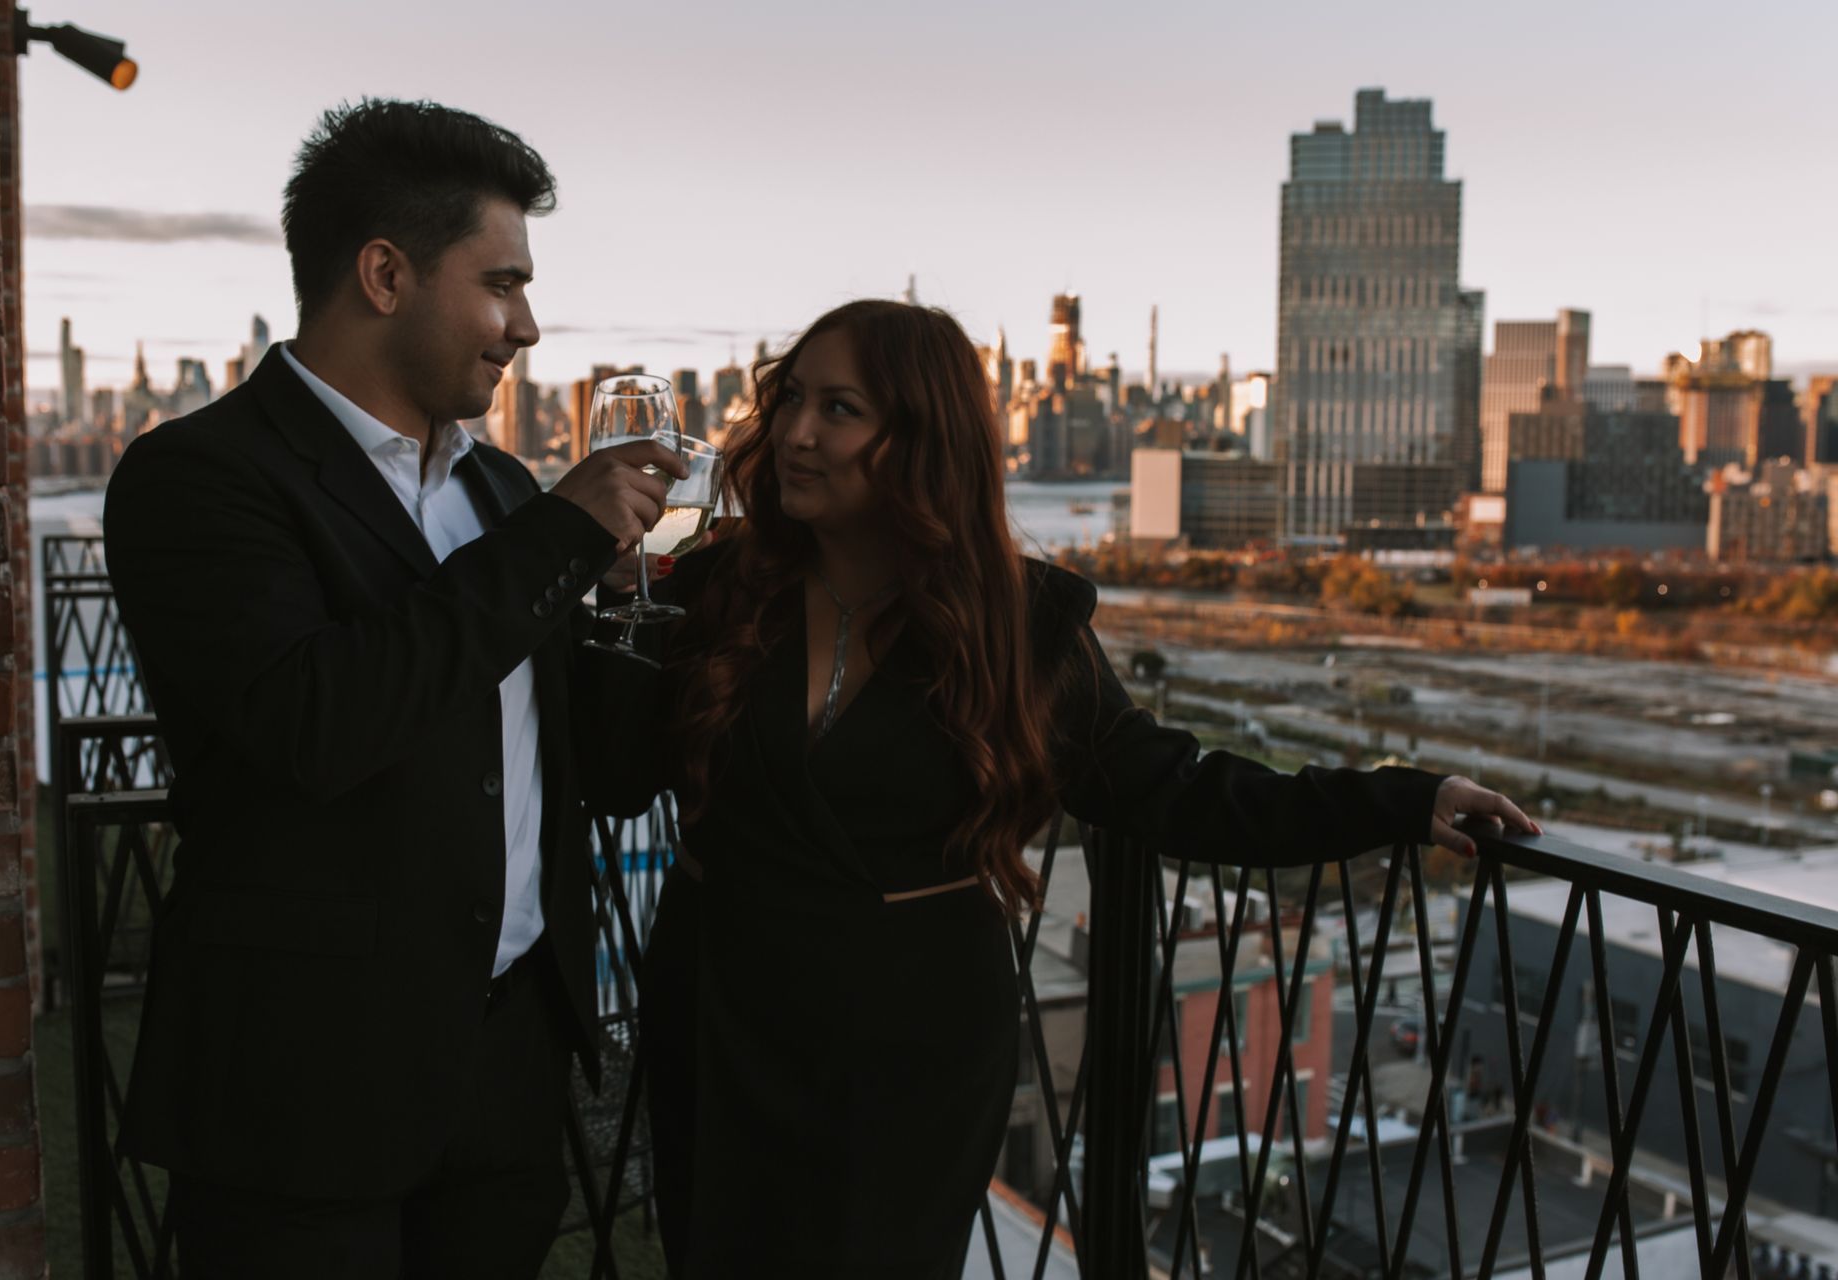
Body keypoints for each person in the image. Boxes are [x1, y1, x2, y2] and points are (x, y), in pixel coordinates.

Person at [582, 299, 1539, 1278]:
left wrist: (1400, 800)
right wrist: (615, 591)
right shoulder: (717, 585)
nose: (794, 431)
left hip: (905, 1030)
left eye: (840, 408)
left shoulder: (1015, 621)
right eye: (791, 399)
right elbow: (615, 780)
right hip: (722, 1004)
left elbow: (1171, 784)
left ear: (923, 436)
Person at [103, 99, 682, 1278]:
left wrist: (640, 603)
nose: (525, 324)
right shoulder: (199, 478)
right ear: (382, 272)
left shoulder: (509, 492)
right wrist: (558, 542)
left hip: (508, 1071)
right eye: (502, 282)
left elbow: (604, 770)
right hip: (303, 1095)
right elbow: (316, 720)